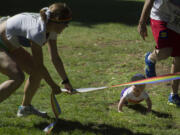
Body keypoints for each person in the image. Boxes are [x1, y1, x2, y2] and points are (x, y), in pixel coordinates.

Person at [0, 2, 74, 117]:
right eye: (66, 23)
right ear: (57, 21)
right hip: (2, 43)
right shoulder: (38, 31)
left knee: (36, 73)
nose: (67, 26)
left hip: (10, 44)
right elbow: (40, 65)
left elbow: (55, 58)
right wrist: (53, 86)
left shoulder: (51, 28)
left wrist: (66, 81)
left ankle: (25, 108)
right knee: (17, 77)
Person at [137, 0, 180, 106]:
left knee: (179, 57)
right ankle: (151, 58)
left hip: (177, 21)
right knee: (165, 50)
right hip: (161, 16)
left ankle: (173, 95)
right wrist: (142, 23)